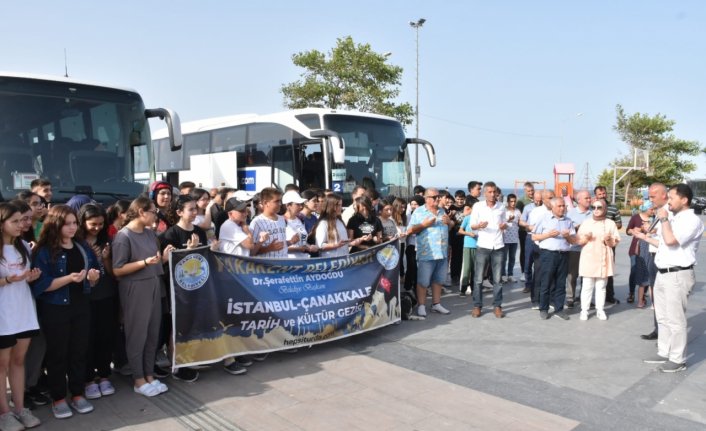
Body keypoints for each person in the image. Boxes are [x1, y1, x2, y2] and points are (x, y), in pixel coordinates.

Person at [31, 205, 101, 418]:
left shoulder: (82, 247)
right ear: (56, 224)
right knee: (57, 355)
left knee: (79, 351)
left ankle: (78, 394)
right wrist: (68, 279)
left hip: (81, 306)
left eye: (74, 223)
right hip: (55, 308)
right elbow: (41, 286)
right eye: (67, 223)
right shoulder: (44, 251)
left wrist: (93, 278)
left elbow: (96, 274)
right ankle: (59, 398)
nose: (72, 228)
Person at [636, 184, 703, 372]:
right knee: (662, 316)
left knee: (675, 319)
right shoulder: (674, 218)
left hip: (678, 274)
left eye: (672, 198)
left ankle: (678, 358)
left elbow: (672, 241)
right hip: (663, 274)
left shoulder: (691, 220)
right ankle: (664, 351)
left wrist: (664, 220)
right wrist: (645, 237)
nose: (669, 201)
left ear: (684, 200)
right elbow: (664, 244)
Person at [111, 197, 171, 397]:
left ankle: (149, 374)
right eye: (153, 211)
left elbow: (154, 261)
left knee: (153, 333)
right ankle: (138, 379)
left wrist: (161, 259)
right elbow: (118, 269)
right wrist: (144, 262)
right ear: (141, 212)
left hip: (154, 284)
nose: (156, 215)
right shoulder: (123, 236)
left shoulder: (149, 233)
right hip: (135, 289)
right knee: (137, 335)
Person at [0, 202, 42, 430]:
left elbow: (23, 277)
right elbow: (9, 279)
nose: (21, 225)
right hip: (3, 315)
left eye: (22, 220)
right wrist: (7, 280)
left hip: (23, 311)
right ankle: (4, 412)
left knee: (18, 361)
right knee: (2, 364)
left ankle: (19, 408)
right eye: (14, 221)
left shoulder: (24, 246)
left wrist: (30, 277)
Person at [159, 195, 209, 382]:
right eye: (191, 209)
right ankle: (177, 364)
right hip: (177, 290)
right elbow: (169, 264)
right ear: (179, 212)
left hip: (197, 286)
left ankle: (190, 358)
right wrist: (188, 251)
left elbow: (204, 258)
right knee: (176, 326)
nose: (195, 212)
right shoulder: (171, 234)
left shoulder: (199, 232)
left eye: (196, 208)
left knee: (192, 324)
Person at [77, 204, 118, 400]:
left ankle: (104, 375)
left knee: (105, 337)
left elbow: (112, 274)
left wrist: (106, 259)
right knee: (86, 340)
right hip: (84, 299)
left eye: (101, 224)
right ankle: (88, 379)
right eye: (93, 224)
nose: (97, 228)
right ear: (82, 222)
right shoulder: (75, 242)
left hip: (106, 296)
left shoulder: (107, 240)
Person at [407, 187, 453, 317]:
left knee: (438, 280)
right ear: (427, 199)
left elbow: (449, 226)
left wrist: (449, 222)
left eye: (438, 196)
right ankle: (421, 306)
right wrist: (424, 225)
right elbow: (409, 231)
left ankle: (436, 304)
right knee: (423, 282)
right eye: (435, 197)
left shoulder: (442, 211)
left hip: (442, 252)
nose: (438, 199)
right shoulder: (419, 212)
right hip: (427, 253)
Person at [574, 199, 621, 321]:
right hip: (589, 257)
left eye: (599, 207)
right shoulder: (586, 222)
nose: (596, 210)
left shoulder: (610, 223)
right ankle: (584, 310)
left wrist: (608, 239)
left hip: (603, 258)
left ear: (605, 208)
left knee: (601, 286)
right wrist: (586, 238)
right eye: (593, 207)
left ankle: (600, 310)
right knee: (587, 286)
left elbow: (613, 243)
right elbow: (579, 241)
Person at [532, 197, 575, 320]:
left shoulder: (568, 221)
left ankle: (559, 309)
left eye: (564, 206)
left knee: (561, 283)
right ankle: (544, 308)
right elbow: (534, 237)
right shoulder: (544, 219)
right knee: (546, 282)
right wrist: (548, 235)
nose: (563, 208)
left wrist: (567, 237)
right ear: (553, 207)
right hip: (548, 254)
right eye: (560, 206)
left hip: (564, 254)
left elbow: (573, 240)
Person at [469, 182, 506, 318]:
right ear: (484, 193)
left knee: (497, 279)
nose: (492, 194)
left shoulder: (501, 206)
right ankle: (477, 306)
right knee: (478, 278)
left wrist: (504, 226)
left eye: (494, 192)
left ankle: (497, 306)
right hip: (483, 245)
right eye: (489, 192)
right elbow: (472, 225)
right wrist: (479, 225)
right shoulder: (478, 206)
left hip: (498, 245)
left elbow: (504, 223)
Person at [594, 185, 622, 304]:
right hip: (594, 245)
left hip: (609, 244)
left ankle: (609, 296)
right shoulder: (592, 208)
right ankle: (587, 297)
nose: (602, 196)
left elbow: (619, 224)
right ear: (596, 196)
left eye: (604, 193)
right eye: (600, 194)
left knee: (608, 270)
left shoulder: (613, 208)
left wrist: (609, 227)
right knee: (591, 270)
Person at [565, 190, 592, 308]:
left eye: (589, 198)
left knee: (587, 275)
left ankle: (585, 298)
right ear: (579, 200)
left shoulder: (593, 213)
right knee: (572, 274)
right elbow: (566, 231)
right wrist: (577, 228)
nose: (589, 200)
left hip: (590, 249)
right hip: (575, 249)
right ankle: (570, 297)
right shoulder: (570, 214)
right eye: (586, 198)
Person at [626, 201, 655, 307]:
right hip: (635, 248)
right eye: (651, 209)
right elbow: (628, 231)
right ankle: (631, 293)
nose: (653, 211)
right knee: (634, 271)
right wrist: (634, 230)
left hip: (649, 248)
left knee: (647, 271)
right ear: (646, 209)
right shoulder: (636, 217)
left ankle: (642, 296)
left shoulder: (654, 219)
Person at [282, 191, 318, 258]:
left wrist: (310, 247)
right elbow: (278, 248)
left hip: (303, 261)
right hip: (290, 262)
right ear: (288, 206)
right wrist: (298, 249)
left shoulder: (300, 219)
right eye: (297, 204)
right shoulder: (281, 221)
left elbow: (303, 242)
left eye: (301, 204)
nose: (301, 207)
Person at [457, 199, 477, 296]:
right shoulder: (468, 218)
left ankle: (474, 288)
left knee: (476, 268)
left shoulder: (481, 218)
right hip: (468, 245)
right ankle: (463, 289)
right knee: (467, 268)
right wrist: (469, 233)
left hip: (479, 246)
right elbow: (460, 230)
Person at [501, 193, 521, 283]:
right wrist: (508, 220)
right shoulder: (504, 211)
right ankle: (503, 274)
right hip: (505, 238)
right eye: (511, 201)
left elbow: (521, 222)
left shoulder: (518, 211)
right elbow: (501, 224)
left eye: (514, 201)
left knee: (512, 257)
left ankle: (510, 274)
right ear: (508, 202)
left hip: (514, 238)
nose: (513, 203)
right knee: (504, 258)